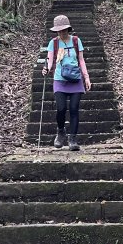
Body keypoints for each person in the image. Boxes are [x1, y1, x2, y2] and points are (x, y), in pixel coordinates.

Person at [42, 15, 91, 151]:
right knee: (61, 108)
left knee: (74, 109)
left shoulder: (76, 41)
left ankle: (73, 139)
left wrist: (86, 77)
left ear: (68, 29)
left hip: (75, 79)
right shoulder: (54, 43)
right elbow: (50, 59)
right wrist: (46, 68)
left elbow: (81, 60)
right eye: (59, 31)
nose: (62, 33)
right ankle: (60, 131)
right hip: (59, 79)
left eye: (64, 30)